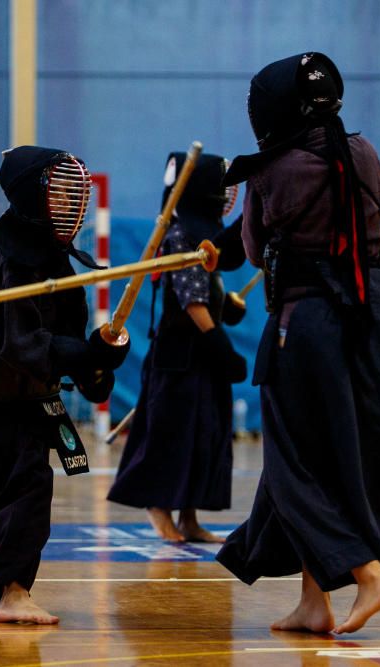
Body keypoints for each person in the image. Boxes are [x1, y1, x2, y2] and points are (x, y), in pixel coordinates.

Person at [215, 52, 380, 635]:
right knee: (343, 459)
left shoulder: (269, 168)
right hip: (373, 326)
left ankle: (369, 573)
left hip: (307, 327)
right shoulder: (364, 151)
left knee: (295, 464)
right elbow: (372, 211)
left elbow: (251, 250)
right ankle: (313, 601)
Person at [0, 145, 130, 624]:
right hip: (1, 401)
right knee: (19, 493)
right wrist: (82, 353)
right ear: (33, 196)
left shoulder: (49, 264)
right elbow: (23, 344)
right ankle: (11, 593)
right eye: (59, 193)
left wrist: (101, 356)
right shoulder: (15, 263)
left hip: (10, 401)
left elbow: (68, 342)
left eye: (75, 195)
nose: (70, 205)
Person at [107, 152, 248, 543]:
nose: (225, 195)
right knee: (173, 434)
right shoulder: (180, 233)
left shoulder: (207, 232)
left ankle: (190, 515)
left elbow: (208, 290)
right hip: (179, 354)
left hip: (202, 354)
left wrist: (227, 306)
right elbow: (191, 301)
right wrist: (221, 344)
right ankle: (159, 508)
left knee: (206, 434)